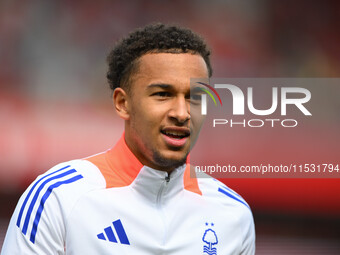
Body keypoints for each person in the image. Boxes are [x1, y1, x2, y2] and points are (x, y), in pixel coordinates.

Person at [1, 23, 255, 254]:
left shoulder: (233, 216)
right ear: (123, 103)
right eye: (163, 94)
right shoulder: (58, 198)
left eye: (195, 97)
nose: (182, 113)